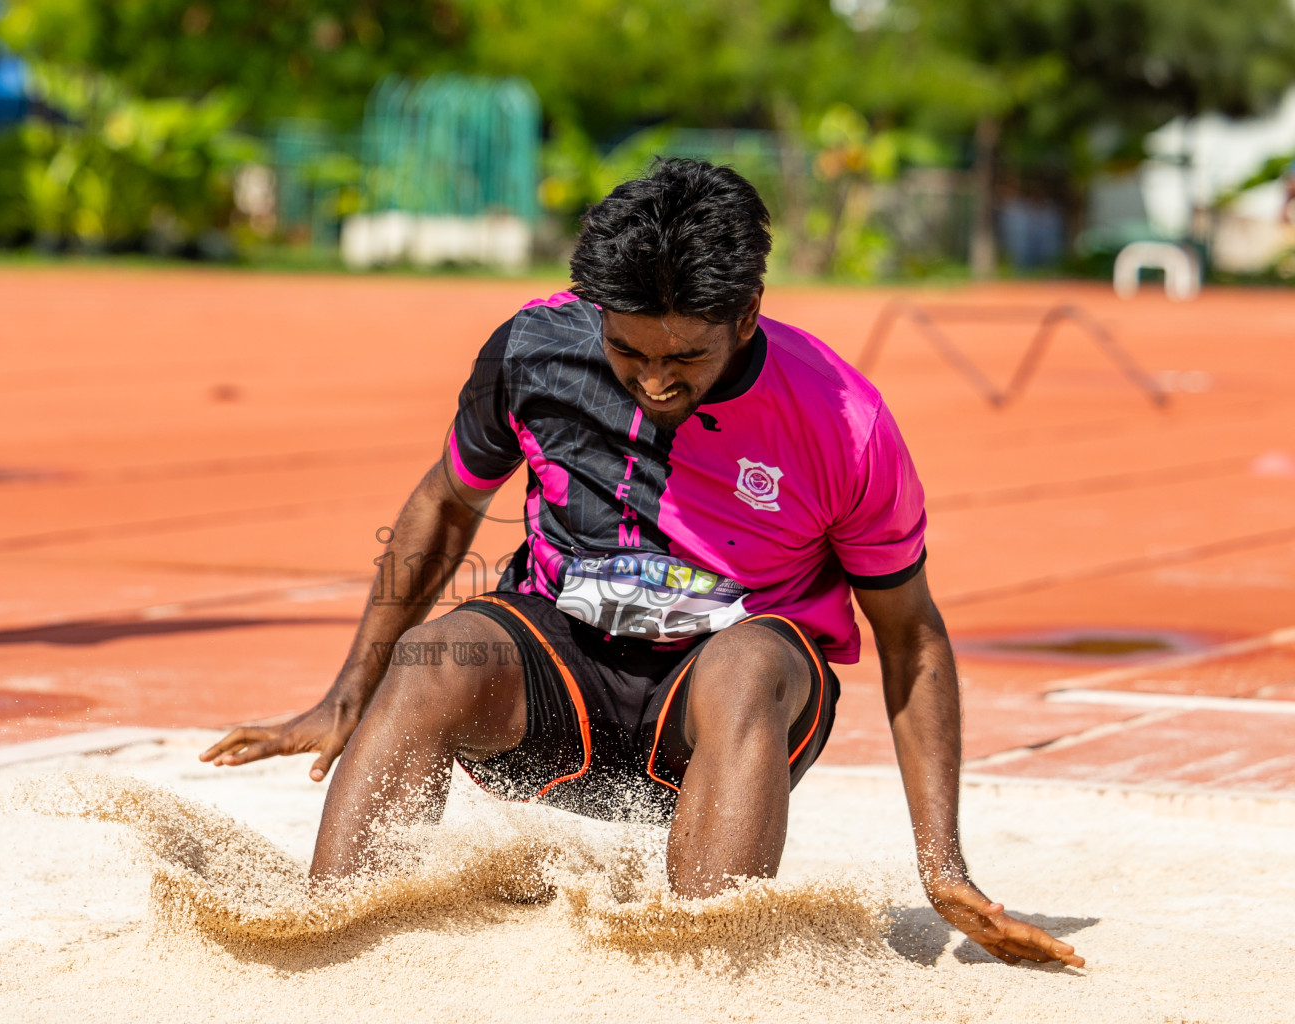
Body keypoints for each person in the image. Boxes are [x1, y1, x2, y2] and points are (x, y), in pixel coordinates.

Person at [203, 159, 1083, 968]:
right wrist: (351, 690)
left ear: (747, 314)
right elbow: (444, 502)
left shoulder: (842, 419)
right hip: (560, 676)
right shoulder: (535, 350)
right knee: (433, 660)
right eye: (629, 352)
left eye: (686, 358)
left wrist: (944, 866)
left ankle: (703, 973)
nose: (656, 383)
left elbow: (912, 637)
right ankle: (329, 947)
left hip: (723, 710)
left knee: (744, 667)